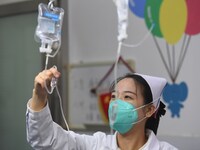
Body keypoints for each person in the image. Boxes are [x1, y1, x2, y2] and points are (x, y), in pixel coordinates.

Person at [26, 67, 178, 150]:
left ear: (149, 110)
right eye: (113, 96)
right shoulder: (95, 145)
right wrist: (39, 97)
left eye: (127, 97)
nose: (116, 104)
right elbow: (46, 141)